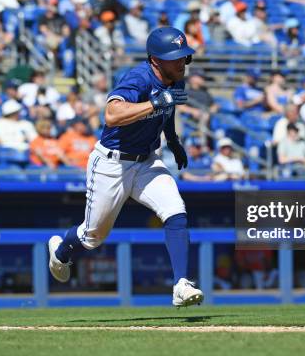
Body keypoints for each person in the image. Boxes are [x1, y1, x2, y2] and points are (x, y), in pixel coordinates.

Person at [47, 27, 204, 307]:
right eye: (175, 56)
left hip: (147, 161)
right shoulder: (138, 77)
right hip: (112, 164)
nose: (182, 61)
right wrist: (154, 102)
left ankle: (181, 284)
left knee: (175, 211)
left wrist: (173, 140)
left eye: (184, 55)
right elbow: (111, 115)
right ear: (156, 59)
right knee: (92, 237)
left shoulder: (175, 80)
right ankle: (61, 249)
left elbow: (167, 111)